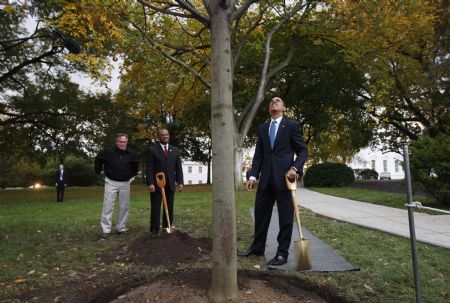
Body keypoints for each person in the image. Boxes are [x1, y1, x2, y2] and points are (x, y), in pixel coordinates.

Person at [239, 97, 308, 266]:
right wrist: (253, 176)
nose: (274, 101)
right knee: (261, 214)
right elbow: (259, 155)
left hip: (285, 179)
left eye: (278, 100)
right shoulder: (263, 128)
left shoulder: (291, 126)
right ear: (269, 109)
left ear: (284, 108)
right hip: (265, 180)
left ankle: (281, 253)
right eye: (271, 101)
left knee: (285, 218)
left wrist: (294, 168)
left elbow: (303, 151)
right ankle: (257, 247)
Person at [94, 133, 139, 238]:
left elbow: (135, 165)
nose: (123, 144)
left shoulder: (131, 153)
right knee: (108, 206)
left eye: (125, 142)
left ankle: (121, 228)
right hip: (111, 182)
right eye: (121, 142)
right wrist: (99, 171)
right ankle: (106, 230)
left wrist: (132, 175)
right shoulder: (108, 152)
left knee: (124, 206)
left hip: (125, 183)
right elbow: (98, 159)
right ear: (116, 142)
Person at [146, 128, 184, 236]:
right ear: (158, 137)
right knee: (156, 206)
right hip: (157, 183)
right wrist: (150, 183)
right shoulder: (152, 150)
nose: (165, 136)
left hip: (170, 183)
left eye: (167, 134)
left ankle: (167, 226)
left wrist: (180, 182)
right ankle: (154, 229)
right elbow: (149, 168)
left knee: (169, 205)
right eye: (162, 135)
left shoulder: (175, 150)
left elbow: (178, 168)